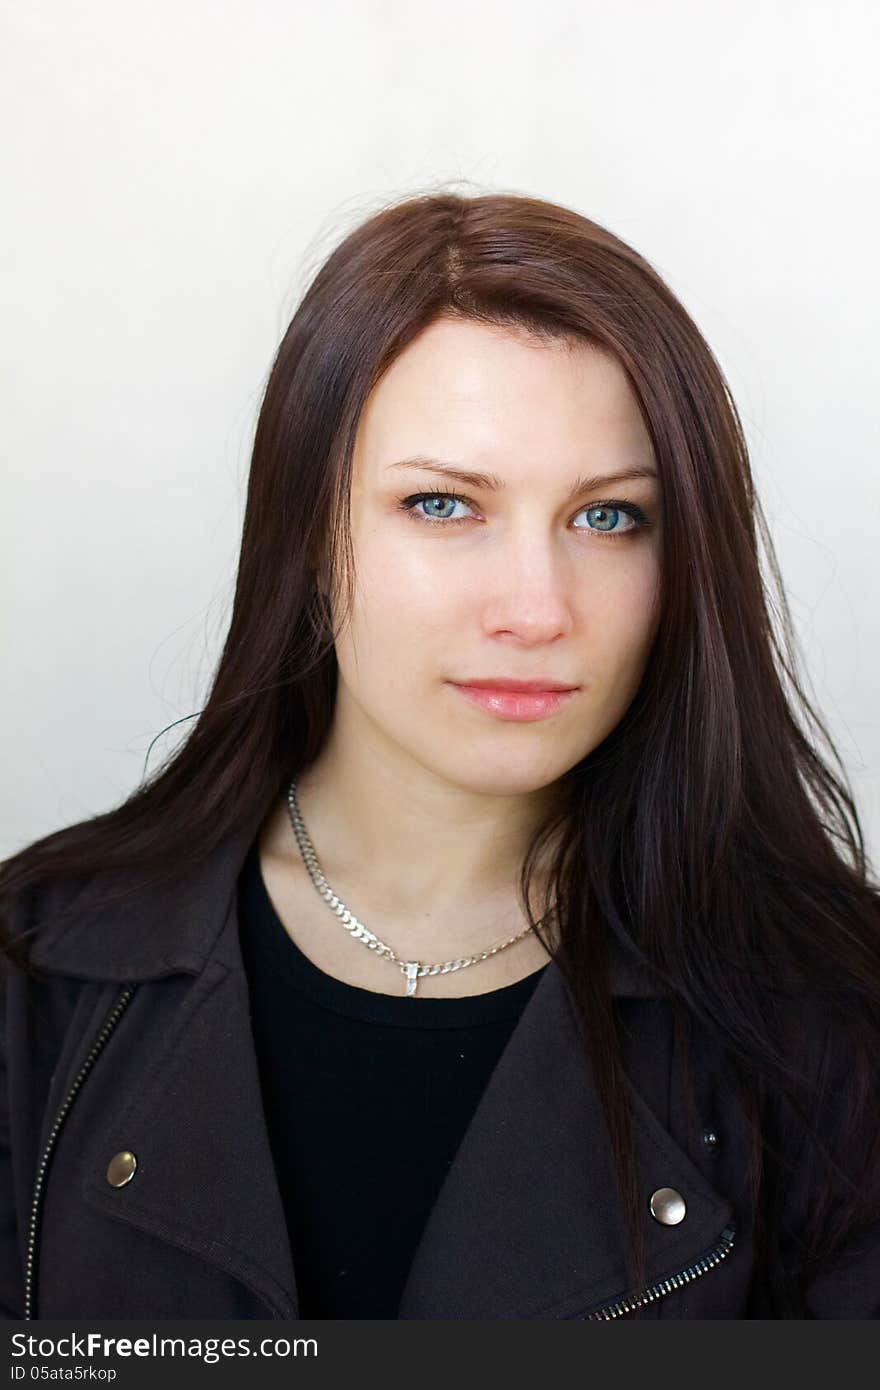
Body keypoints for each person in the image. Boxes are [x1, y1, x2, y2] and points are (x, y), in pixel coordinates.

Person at [1, 190, 879, 1321]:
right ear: (310, 533)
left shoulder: (831, 1022)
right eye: (441, 504)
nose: (536, 606)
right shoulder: (38, 975)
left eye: (608, 517)